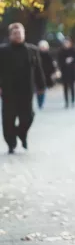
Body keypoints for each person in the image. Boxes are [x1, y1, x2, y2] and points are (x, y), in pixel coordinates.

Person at [0, 23, 46, 154]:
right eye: (15, 34)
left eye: (20, 33)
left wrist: (41, 86)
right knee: (8, 119)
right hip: (8, 91)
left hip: (26, 90)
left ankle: (21, 133)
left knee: (28, 117)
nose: (18, 35)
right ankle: (11, 143)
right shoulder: (3, 51)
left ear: (24, 34)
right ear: (10, 35)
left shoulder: (32, 50)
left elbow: (38, 70)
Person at [58, 38, 75, 108]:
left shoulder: (73, 51)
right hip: (64, 72)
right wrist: (65, 62)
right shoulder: (61, 52)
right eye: (65, 43)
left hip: (72, 72)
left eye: (67, 43)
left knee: (72, 87)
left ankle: (73, 101)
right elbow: (60, 62)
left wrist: (72, 62)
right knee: (65, 88)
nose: (66, 44)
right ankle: (66, 102)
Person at [37, 40, 57, 109]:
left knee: (43, 89)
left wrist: (54, 73)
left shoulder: (49, 55)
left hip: (46, 74)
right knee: (39, 89)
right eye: (41, 47)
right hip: (38, 74)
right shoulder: (37, 54)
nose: (43, 48)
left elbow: (53, 65)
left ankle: (41, 103)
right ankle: (39, 101)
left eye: (44, 47)